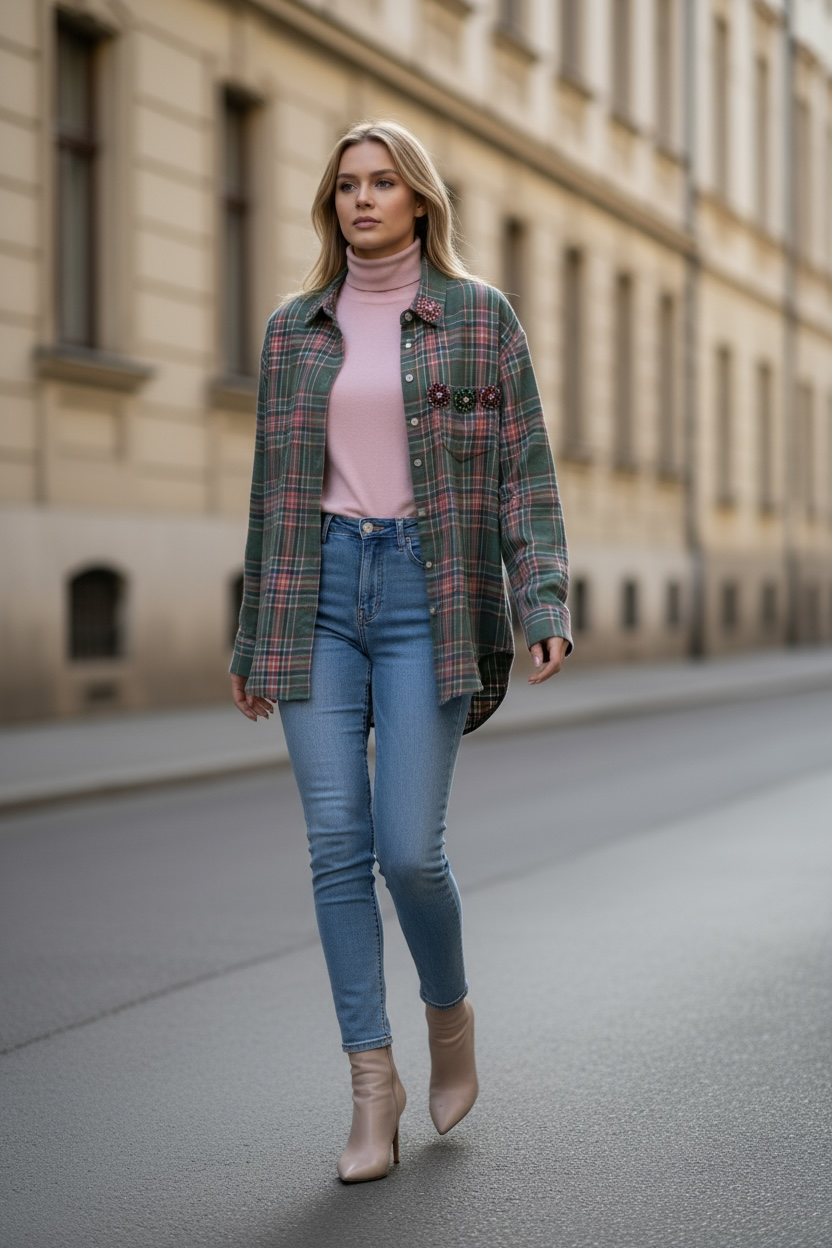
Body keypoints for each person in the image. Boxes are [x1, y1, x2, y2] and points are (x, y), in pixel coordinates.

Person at [230, 120, 571, 1183]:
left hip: (431, 594)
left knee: (407, 852)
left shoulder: (479, 320)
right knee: (335, 845)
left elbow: (524, 467)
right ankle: (370, 1088)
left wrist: (541, 591)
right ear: (329, 206)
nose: (362, 201)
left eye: (382, 184)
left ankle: (449, 1012)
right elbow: (271, 492)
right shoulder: (295, 331)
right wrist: (253, 635)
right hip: (317, 594)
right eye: (345, 187)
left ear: (419, 199)